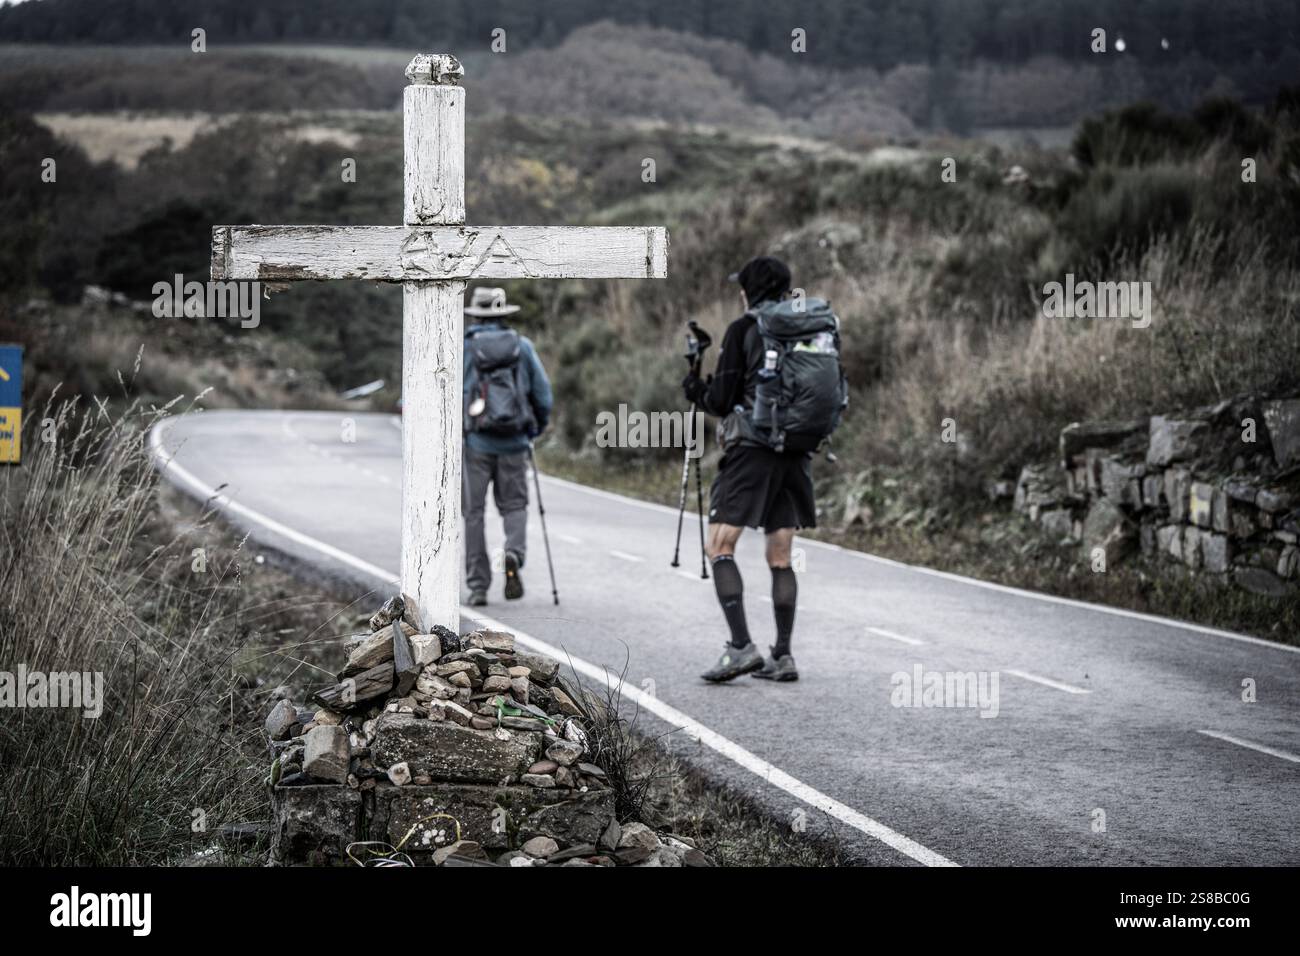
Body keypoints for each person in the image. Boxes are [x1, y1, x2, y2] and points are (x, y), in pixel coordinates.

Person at [682, 255, 840, 683]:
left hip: (752, 450)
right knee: (781, 555)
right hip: (796, 451)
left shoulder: (744, 329)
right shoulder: (808, 329)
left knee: (719, 545)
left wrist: (695, 386)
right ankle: (783, 655)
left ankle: (739, 648)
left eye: (741, 287)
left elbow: (719, 400)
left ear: (748, 291)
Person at [461, 287, 553, 606]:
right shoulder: (522, 347)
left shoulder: (466, 348)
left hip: (477, 443)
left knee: (473, 513)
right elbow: (543, 395)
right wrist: (535, 428)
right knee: (514, 506)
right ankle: (512, 553)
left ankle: (477, 586)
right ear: (503, 313)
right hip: (514, 441)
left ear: (475, 315)